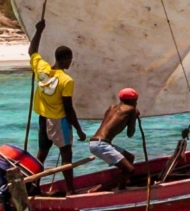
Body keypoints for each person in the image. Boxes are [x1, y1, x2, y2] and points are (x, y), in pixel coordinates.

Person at [29, 17, 86, 195]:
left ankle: (34, 186)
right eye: (70, 59)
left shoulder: (42, 69)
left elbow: (32, 51)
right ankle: (70, 191)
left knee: (42, 155)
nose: (71, 63)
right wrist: (78, 129)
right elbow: (69, 109)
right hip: (58, 121)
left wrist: (39, 30)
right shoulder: (66, 80)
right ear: (65, 58)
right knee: (66, 156)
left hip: (43, 119)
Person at [88, 88, 143, 189]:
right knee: (130, 170)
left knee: (130, 158)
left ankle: (122, 187)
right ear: (133, 101)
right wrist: (134, 116)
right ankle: (99, 188)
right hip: (101, 144)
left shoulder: (111, 108)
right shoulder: (131, 110)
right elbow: (130, 133)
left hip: (95, 142)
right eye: (136, 100)